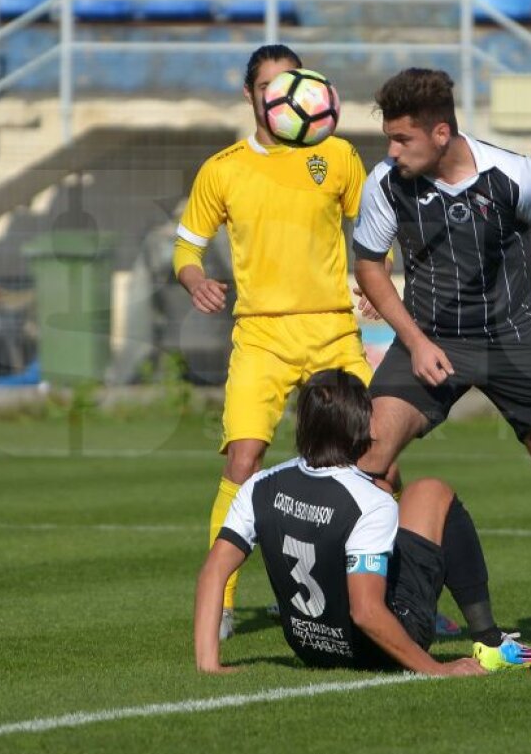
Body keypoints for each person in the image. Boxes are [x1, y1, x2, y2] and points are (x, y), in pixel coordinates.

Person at [350, 69, 531, 658]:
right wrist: (414, 340)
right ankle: (394, 603)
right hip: (430, 336)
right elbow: (369, 265)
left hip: (515, 340)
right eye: (389, 139)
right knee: (368, 458)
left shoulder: (514, 175)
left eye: (402, 139)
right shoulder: (385, 183)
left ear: (441, 133)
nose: (391, 151)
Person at [174, 44, 372, 641]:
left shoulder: (337, 154)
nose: (281, 96)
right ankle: (223, 603)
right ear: (250, 95)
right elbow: (187, 246)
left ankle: (396, 592)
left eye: (291, 84)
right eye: (268, 87)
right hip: (261, 334)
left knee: (375, 457)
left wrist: (375, 281)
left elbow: (373, 230)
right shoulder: (223, 168)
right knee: (244, 459)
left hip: (332, 327)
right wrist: (195, 280)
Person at [194, 369, 531, 675]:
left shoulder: (260, 486)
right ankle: (490, 641)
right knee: (432, 492)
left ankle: (210, 660)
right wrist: (437, 669)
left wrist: (209, 664)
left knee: (404, 507)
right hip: (376, 649)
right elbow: (365, 612)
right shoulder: (370, 502)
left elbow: (213, 572)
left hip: (308, 647)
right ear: (360, 427)